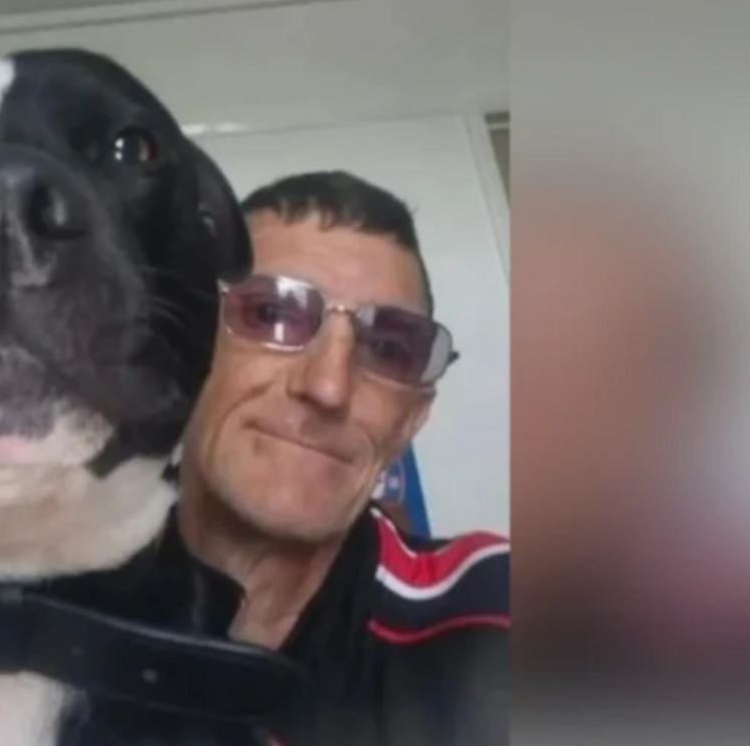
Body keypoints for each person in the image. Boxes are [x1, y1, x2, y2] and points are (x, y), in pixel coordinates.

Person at [171, 171, 509, 746]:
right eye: (270, 314)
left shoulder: (496, 616)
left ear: (413, 416)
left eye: (389, 349)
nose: (329, 387)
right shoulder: (26, 596)